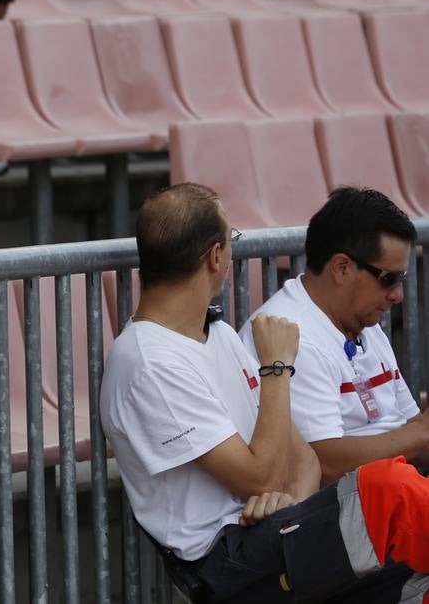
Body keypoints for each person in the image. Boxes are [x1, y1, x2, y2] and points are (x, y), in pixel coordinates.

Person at [101, 183, 429, 602]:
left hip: (276, 530)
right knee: (390, 492)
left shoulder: (215, 333)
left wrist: (289, 504)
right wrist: (277, 368)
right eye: (231, 239)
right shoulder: (148, 362)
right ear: (216, 256)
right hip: (226, 560)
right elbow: (265, 474)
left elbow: (303, 459)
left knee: (416, 579)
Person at [241, 188, 428, 486]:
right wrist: (422, 433)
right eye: (390, 279)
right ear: (341, 268)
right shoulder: (292, 334)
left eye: (402, 279)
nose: (398, 295)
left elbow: (407, 428)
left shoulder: (365, 321)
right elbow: (324, 463)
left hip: (393, 496)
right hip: (341, 514)